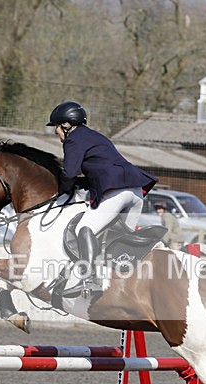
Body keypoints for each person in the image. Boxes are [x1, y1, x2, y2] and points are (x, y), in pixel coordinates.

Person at [47, 101, 158, 295]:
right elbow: (98, 171)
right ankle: (122, 287)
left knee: (85, 228)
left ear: (65, 125)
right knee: (116, 241)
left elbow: (70, 173)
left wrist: (63, 190)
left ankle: (90, 279)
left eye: (56, 128)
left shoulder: (73, 139)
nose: (56, 133)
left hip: (116, 191)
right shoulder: (95, 136)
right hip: (135, 192)